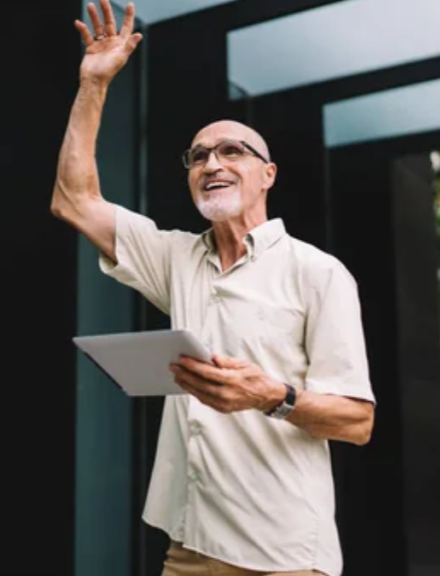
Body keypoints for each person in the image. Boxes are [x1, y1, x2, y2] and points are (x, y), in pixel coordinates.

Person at [51, 3, 376, 575]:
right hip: (191, 550)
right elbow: (74, 201)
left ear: (267, 174)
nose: (211, 163)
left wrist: (272, 396)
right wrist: (93, 85)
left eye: (232, 151)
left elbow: (357, 422)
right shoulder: (177, 257)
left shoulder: (318, 272)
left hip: (286, 556)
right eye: (198, 156)